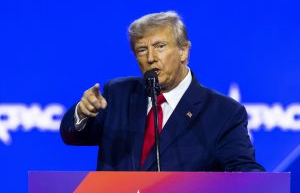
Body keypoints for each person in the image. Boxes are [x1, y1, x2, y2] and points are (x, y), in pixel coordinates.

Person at [60, 11, 265, 172]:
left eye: (160, 46)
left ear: (184, 51)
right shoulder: (119, 94)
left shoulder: (223, 112)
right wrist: (82, 112)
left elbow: (243, 169)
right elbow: (72, 136)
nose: (151, 57)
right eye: (142, 50)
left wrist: (262, 191)